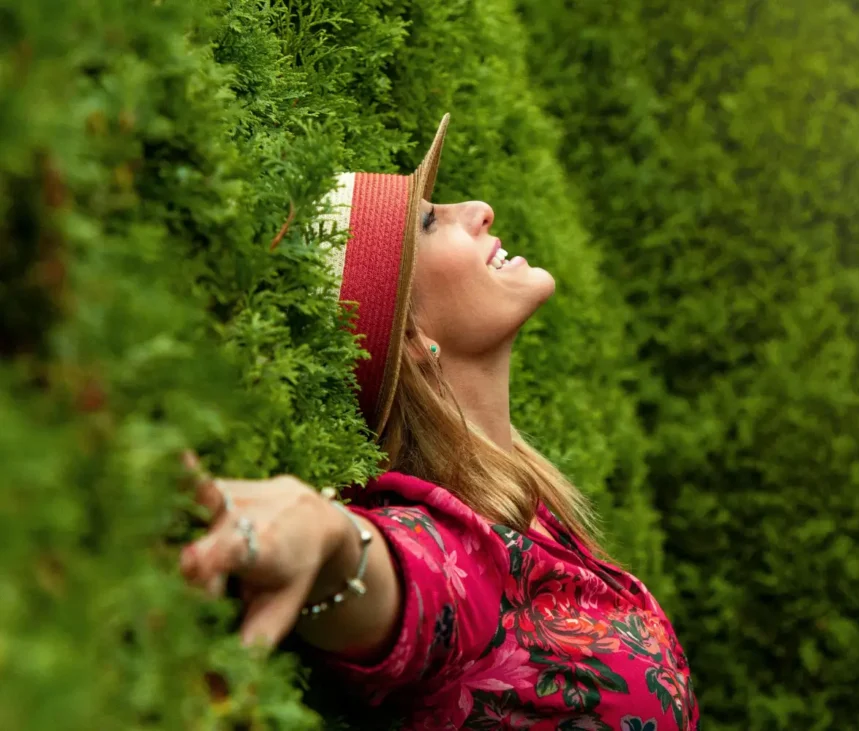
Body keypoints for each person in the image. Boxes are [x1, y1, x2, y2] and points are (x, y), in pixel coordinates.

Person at [179, 115, 700, 730]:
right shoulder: (452, 549)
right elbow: (398, 574)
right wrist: (327, 537)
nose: (480, 208)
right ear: (409, 338)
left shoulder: (529, 509)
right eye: (430, 221)